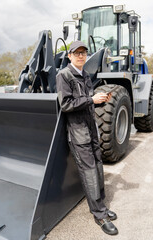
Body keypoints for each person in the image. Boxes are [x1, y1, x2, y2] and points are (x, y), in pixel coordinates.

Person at [56, 40, 118, 235]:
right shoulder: (64, 75)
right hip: (78, 133)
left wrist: (99, 101)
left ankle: (102, 206)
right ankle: (99, 215)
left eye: (83, 53)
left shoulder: (85, 75)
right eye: (77, 53)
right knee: (89, 171)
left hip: (91, 129)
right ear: (69, 56)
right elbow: (66, 104)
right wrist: (91, 99)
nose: (81, 56)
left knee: (98, 166)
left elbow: (86, 103)